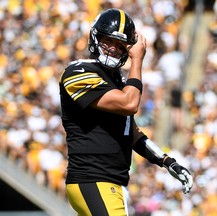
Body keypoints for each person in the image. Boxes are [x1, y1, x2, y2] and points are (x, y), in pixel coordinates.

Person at [59, 8, 193, 216]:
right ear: (95, 38)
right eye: (107, 41)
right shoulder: (78, 71)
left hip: (110, 181)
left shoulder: (118, 80)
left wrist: (167, 161)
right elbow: (129, 103)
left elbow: (130, 131)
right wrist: (138, 60)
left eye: (120, 44)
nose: (113, 48)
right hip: (93, 179)